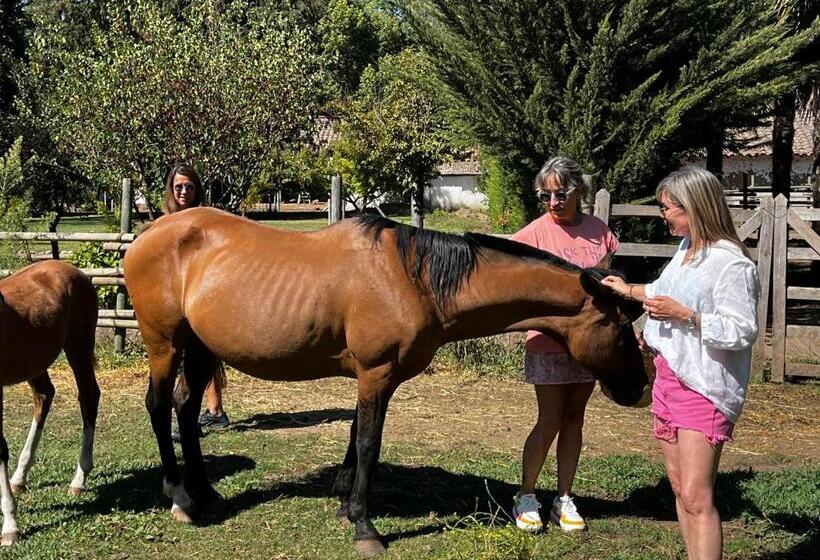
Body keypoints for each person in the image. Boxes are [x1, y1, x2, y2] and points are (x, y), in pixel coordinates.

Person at [601, 167, 759, 560]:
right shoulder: (686, 250)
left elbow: (741, 330)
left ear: (694, 207)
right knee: (678, 487)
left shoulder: (731, 264)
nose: (663, 215)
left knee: (696, 495)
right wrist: (629, 292)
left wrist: (686, 316)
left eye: (667, 207)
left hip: (704, 385)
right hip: (669, 379)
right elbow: (662, 293)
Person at [510, 156, 620, 533]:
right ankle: (526, 496)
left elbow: (610, 284)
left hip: (589, 346)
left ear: (579, 191)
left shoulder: (600, 232)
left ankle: (564, 499)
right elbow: (504, 266)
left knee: (575, 420)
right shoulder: (536, 232)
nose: (554, 201)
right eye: (546, 194)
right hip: (548, 343)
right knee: (550, 419)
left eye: (561, 193)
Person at [163, 164, 231, 436]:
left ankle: (210, 411)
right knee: (192, 357)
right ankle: (212, 410)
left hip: (203, 293)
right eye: (179, 187)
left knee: (205, 355)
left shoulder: (205, 217)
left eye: (189, 187)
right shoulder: (167, 220)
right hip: (176, 296)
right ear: (171, 188)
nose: (184, 192)